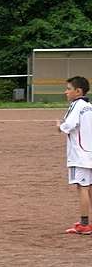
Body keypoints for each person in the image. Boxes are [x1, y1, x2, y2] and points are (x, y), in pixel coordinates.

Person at [58, 76, 92, 235]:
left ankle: (85, 224)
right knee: (89, 188)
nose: (66, 92)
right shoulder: (89, 105)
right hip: (89, 152)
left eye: (68, 89)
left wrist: (60, 126)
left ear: (78, 91)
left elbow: (69, 125)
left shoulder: (76, 105)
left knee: (82, 187)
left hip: (80, 155)